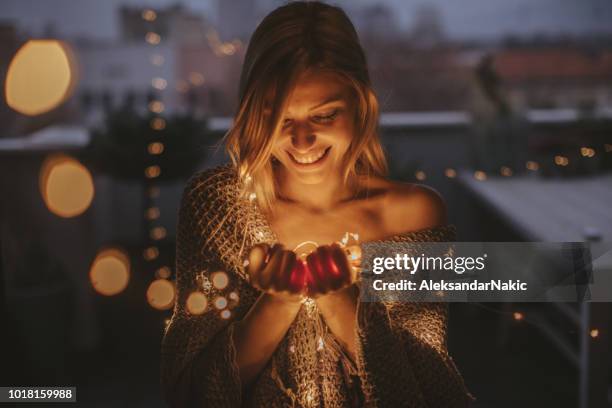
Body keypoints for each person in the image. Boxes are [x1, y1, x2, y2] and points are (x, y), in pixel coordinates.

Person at [160, 1, 475, 407]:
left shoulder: (412, 215)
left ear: (360, 105)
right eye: (280, 119)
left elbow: (427, 391)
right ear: (253, 114)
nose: (303, 142)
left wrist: (340, 301)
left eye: (324, 116)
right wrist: (278, 301)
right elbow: (191, 393)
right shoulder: (219, 207)